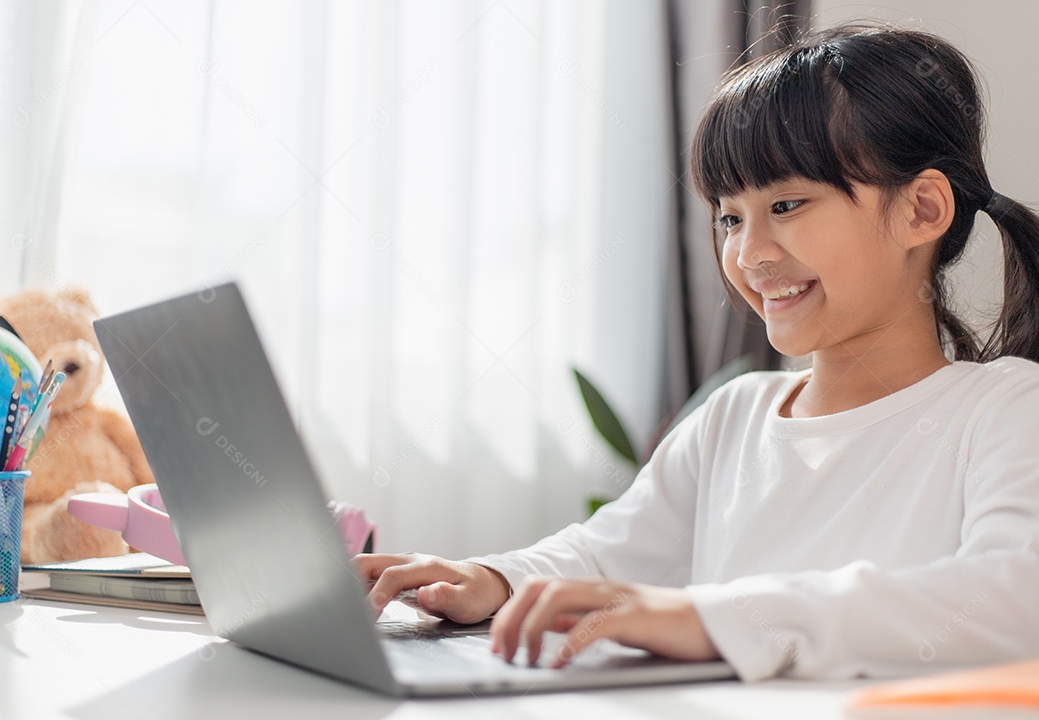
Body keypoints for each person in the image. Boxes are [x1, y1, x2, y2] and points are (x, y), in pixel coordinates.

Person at [355, 23, 1039, 681]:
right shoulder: (733, 417)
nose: (749, 254)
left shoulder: (1005, 409)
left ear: (921, 210)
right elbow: (601, 554)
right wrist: (493, 579)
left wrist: (718, 618)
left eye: (789, 205)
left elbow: (1011, 599)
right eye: (730, 217)